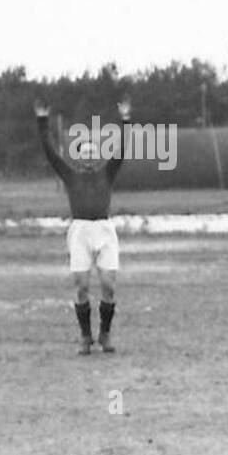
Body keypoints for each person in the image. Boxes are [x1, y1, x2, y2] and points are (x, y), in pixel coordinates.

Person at [33, 96, 131, 355]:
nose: (88, 155)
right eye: (84, 151)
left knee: (109, 284)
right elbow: (50, 152)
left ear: (97, 155)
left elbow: (121, 149)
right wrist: (42, 121)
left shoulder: (107, 173)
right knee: (81, 285)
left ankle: (105, 335)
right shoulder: (70, 175)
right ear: (79, 155)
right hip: (80, 232)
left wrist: (125, 120)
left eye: (92, 151)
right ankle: (86, 336)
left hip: (104, 230)